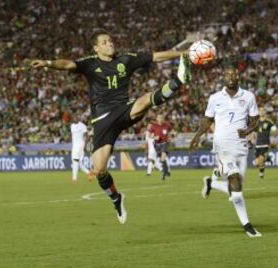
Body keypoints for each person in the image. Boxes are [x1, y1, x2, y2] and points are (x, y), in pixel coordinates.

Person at [30, 29, 191, 224]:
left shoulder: (126, 59)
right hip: (102, 121)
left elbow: (156, 56)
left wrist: (183, 53)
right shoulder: (90, 64)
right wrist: (48, 63)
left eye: (111, 40)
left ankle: (178, 80)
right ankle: (116, 197)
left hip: (123, 109)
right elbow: (67, 64)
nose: (110, 44)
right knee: (99, 170)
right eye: (105, 42)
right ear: (96, 48)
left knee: (143, 102)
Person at [190, 65, 262, 237]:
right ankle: (247, 225)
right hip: (222, 145)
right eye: (227, 74)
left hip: (241, 146)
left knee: (236, 190)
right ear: (223, 77)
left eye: (233, 74)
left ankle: (211, 183)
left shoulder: (248, 96)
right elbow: (208, 120)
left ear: (238, 76)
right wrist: (197, 136)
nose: (230, 76)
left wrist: (248, 130)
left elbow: (255, 120)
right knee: (235, 181)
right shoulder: (215, 98)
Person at [254, 107, 277, 179]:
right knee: (257, 163)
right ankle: (267, 159)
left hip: (265, 143)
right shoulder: (256, 122)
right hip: (258, 144)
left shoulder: (269, 122)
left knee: (261, 159)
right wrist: (251, 139)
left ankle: (261, 173)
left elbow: (274, 130)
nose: (261, 112)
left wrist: (273, 136)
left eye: (262, 110)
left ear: (265, 112)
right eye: (260, 110)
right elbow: (254, 132)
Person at [149, 114, 172, 180]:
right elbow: (150, 135)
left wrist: (171, 136)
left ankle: (164, 174)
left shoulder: (167, 125)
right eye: (159, 117)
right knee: (161, 159)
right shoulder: (153, 126)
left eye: (162, 117)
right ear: (157, 119)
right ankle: (166, 171)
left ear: (163, 118)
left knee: (162, 157)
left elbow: (171, 132)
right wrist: (154, 137)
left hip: (165, 143)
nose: (160, 119)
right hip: (157, 145)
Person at [70, 116, 90, 182]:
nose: (74, 119)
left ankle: (74, 178)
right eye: (74, 118)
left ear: (78, 119)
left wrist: (85, 145)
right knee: (78, 163)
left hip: (80, 145)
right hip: (74, 146)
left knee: (75, 161)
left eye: (76, 118)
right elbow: (73, 136)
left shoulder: (82, 126)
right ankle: (89, 173)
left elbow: (87, 136)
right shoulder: (72, 126)